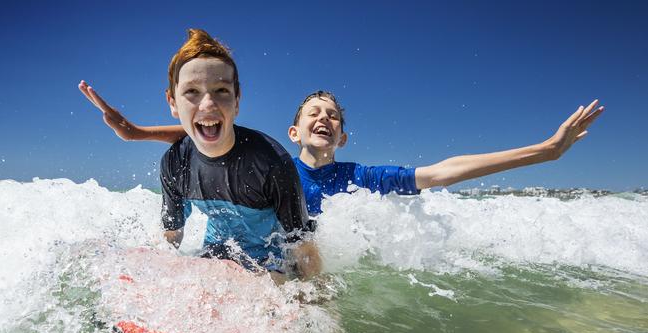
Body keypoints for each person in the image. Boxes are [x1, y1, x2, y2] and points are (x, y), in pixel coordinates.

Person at [80, 77, 603, 217]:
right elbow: (209, 129)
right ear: (294, 132)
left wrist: (544, 151)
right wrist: (135, 133)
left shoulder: (360, 178)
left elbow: (443, 171)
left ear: (343, 137)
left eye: (334, 116)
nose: (325, 119)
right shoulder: (268, 159)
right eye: (314, 113)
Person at [80, 29, 321, 280]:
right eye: (192, 92)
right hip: (214, 256)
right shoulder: (175, 163)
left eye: (221, 91)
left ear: (237, 101)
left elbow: (303, 248)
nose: (207, 104)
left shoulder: (270, 162)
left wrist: (315, 304)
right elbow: (171, 237)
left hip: (271, 263)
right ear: (172, 102)